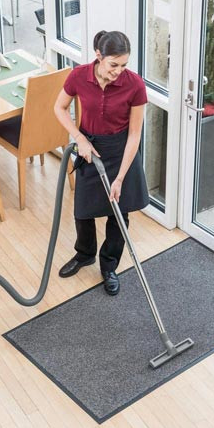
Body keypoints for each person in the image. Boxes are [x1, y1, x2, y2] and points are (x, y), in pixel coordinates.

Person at [53, 30, 149, 295]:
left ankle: (109, 266)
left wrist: (120, 177)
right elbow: (59, 108)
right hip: (90, 149)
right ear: (99, 56)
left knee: (118, 213)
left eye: (124, 65)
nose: (118, 71)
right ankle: (85, 254)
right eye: (113, 65)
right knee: (83, 210)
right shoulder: (79, 76)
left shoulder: (135, 85)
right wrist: (79, 138)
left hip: (121, 151)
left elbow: (135, 134)